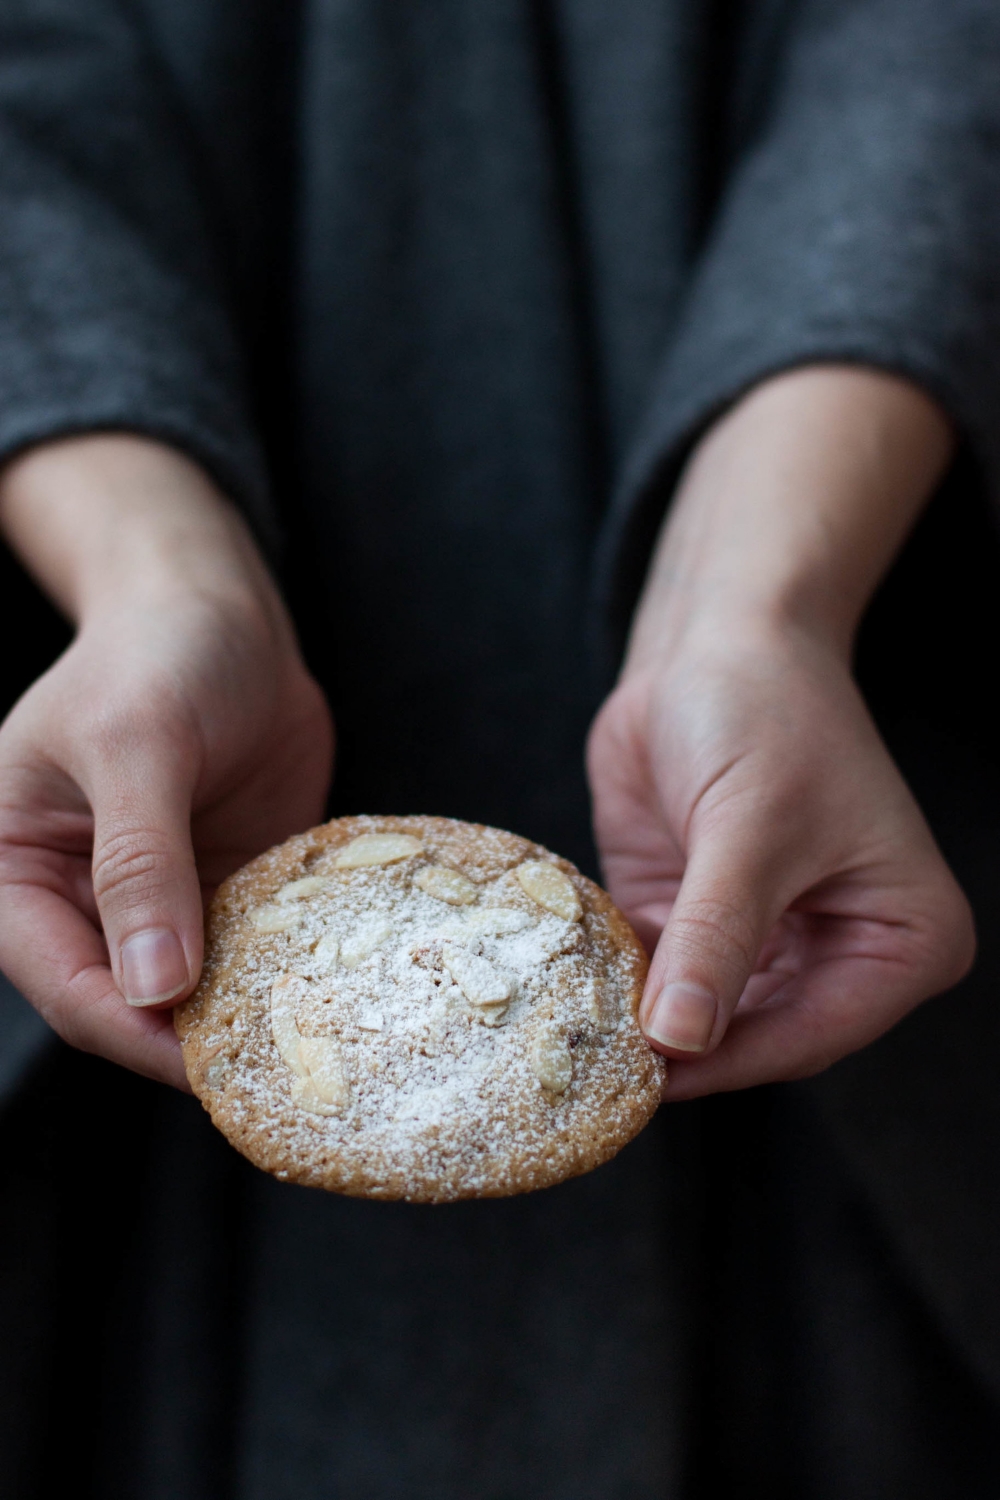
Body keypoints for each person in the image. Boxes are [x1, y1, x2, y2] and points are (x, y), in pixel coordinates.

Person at [1, 2, 999, 1494]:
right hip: (150, 798)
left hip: (827, 702)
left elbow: (934, 50)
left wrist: (759, 591)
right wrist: (154, 574)